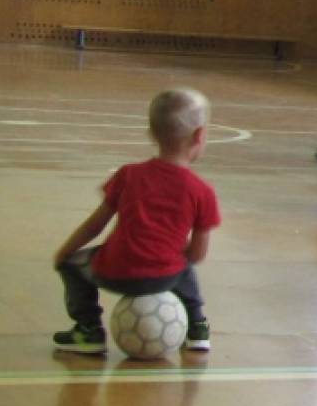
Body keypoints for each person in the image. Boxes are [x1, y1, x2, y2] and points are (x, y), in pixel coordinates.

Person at [52, 88, 220, 355]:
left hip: (114, 271)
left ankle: (89, 330)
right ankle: (197, 327)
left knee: (72, 266)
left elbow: (95, 225)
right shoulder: (202, 191)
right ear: (200, 135)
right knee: (183, 262)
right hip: (166, 277)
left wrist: (65, 252)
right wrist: (169, 250)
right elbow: (197, 254)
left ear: (152, 134)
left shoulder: (128, 175)